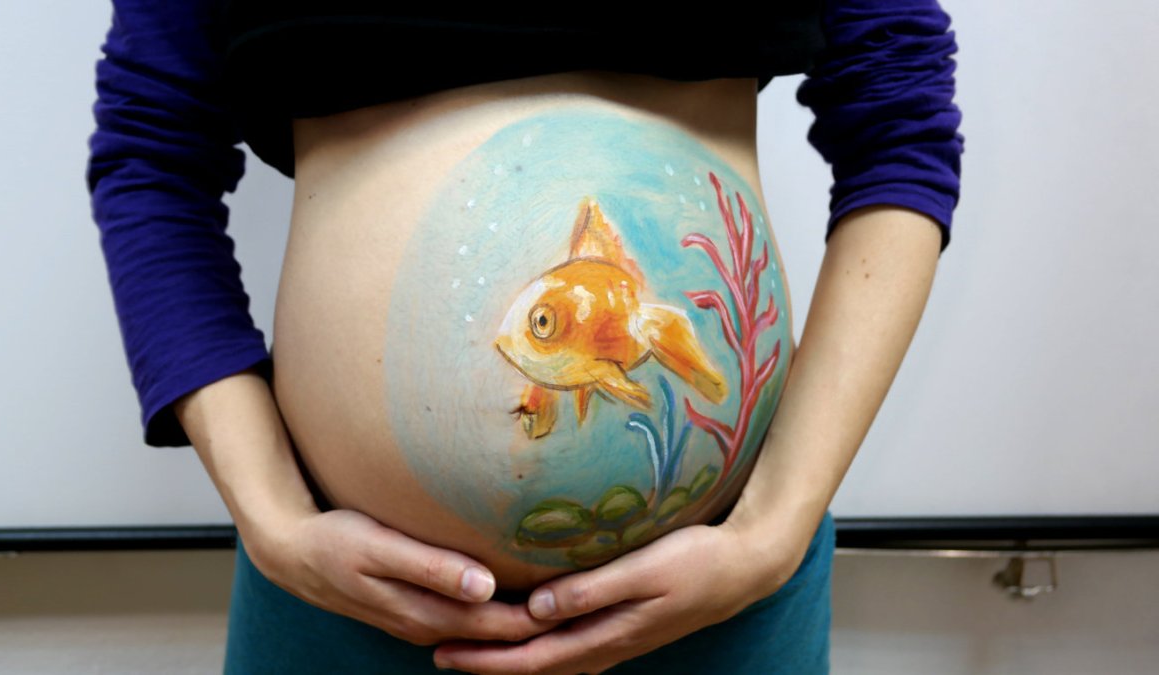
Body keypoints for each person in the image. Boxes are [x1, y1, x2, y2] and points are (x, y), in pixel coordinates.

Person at [87, 2, 961, 673]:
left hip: (718, 605)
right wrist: (274, 516)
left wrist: (772, 529)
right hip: (343, 605)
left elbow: (899, 124)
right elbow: (153, 154)